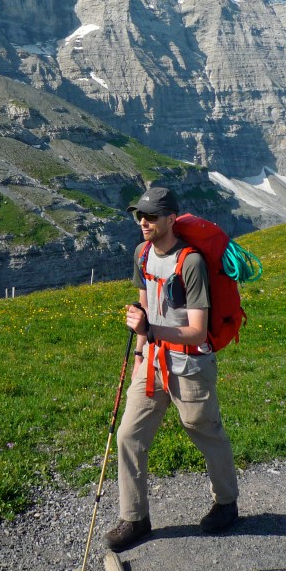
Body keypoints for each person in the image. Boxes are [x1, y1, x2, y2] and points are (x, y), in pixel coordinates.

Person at [104, 186, 239, 551]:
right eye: (139, 216)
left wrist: (150, 330)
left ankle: (226, 504)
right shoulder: (142, 254)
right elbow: (144, 307)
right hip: (153, 363)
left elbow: (197, 331)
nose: (143, 222)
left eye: (151, 216)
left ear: (171, 219)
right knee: (128, 435)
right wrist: (140, 354)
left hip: (190, 365)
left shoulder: (191, 262)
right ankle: (135, 519)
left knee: (205, 431)